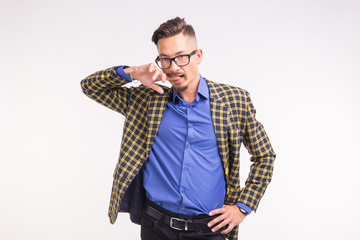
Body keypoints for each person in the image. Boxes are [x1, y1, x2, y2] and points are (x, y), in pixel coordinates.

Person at [81, 17, 275, 240]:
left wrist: (243, 206)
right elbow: (90, 87)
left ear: (198, 56)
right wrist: (132, 72)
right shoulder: (147, 101)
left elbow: (265, 156)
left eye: (181, 57)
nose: (173, 67)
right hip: (156, 226)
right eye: (165, 59)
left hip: (210, 228)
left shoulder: (233, 101)